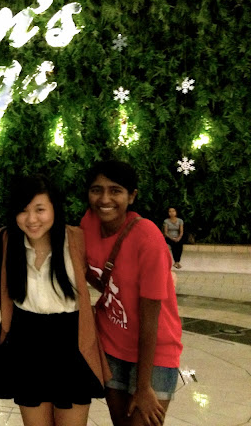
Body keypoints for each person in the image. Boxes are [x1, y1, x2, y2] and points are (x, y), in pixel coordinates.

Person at [0, 175, 110, 426]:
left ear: (54, 209)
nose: (31, 219)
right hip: (27, 346)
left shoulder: (76, 239)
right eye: (23, 210)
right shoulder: (8, 242)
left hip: (70, 345)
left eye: (40, 209)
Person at [81, 160, 183, 426]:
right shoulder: (88, 224)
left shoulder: (147, 238)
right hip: (112, 345)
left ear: (132, 196)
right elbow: (92, 273)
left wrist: (144, 386)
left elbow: (151, 319)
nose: (105, 199)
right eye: (97, 190)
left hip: (155, 351)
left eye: (115, 190)